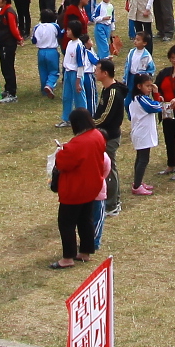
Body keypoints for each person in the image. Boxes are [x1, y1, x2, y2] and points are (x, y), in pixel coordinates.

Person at [49, 106, 107, 267]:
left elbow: (62, 163)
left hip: (74, 190)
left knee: (66, 223)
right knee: (85, 220)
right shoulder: (97, 135)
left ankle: (67, 258)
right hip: (92, 186)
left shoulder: (77, 144)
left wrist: (61, 151)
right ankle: (85, 252)